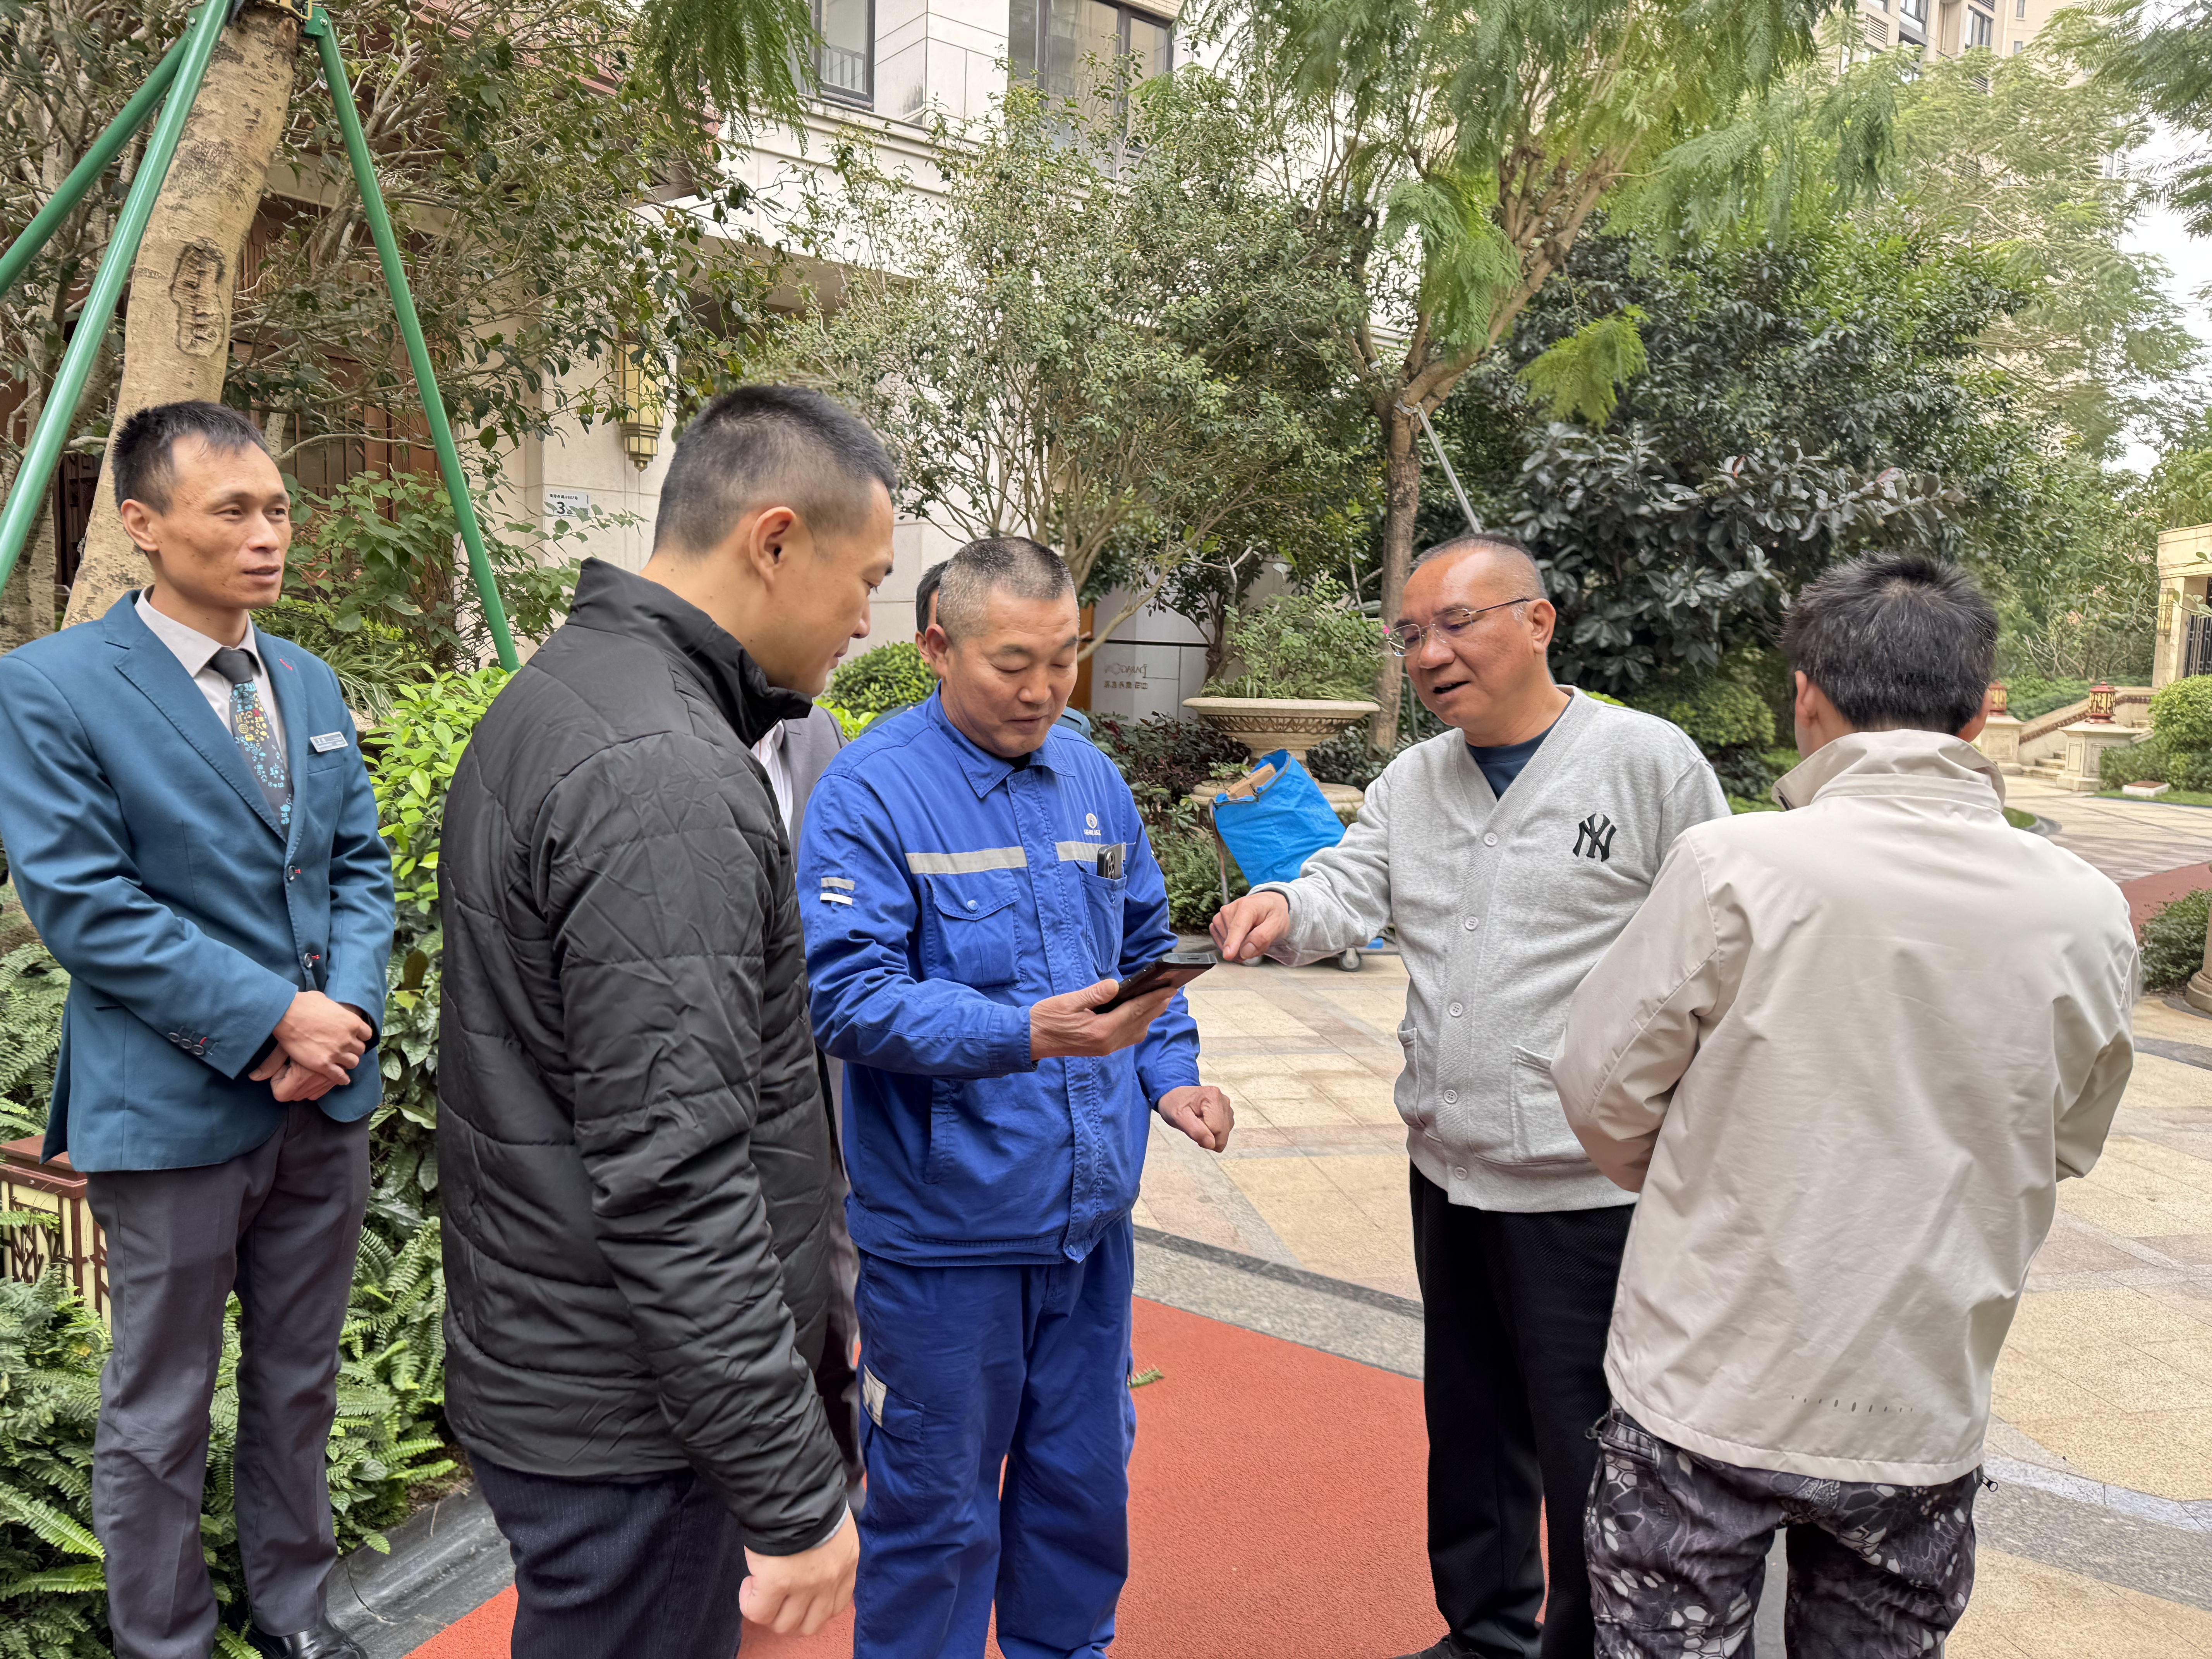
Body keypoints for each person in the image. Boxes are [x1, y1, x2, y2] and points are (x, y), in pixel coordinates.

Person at [1554, 554, 2138, 1657]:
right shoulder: (2087, 908)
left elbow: (1599, 1088)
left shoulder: (1732, 865)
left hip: (1706, 1380)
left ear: (1806, 697)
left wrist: (1700, 1173)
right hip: (1919, 1396)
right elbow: (2068, 1139)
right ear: (1978, 713)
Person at [1210, 534, 1728, 1659]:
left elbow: (1721, 947)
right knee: (1473, 1425)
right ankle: (1485, 1633)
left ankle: (1590, 1644)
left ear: (1538, 623)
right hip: (1448, 1165)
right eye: (1410, 635)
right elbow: (1350, 884)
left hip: (1590, 1187)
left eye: (1456, 624)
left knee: (1593, 1445)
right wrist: (1286, 908)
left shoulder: (1646, 763)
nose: (1430, 654)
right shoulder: (1415, 779)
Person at [436, 386, 895, 1653]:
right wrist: (792, 1490)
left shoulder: (573, 693)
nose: (868, 619)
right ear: (775, 539)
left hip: (576, 1369)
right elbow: (679, 1177)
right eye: (866, 579)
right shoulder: (663, 770)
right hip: (635, 1412)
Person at [0, 401, 393, 1659]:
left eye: (277, 509)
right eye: (233, 510)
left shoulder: (308, 680)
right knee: (160, 1406)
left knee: (300, 1379)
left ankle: (297, 1615)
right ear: (143, 523)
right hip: (170, 1107)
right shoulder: (52, 687)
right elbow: (87, 906)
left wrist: (348, 1016)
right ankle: (163, 1642)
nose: (268, 534)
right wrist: (278, 1014)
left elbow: (358, 867)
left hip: (321, 1103)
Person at [797, 535, 1234, 1659]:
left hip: (1089, 1230)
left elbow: (1143, 949)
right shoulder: (871, 792)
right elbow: (844, 998)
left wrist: (1172, 1076)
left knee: (1081, 1489)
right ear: (936, 646)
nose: (1043, 690)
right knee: (935, 1515)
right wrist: (1021, 1033)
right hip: (946, 1241)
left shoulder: (1089, 776)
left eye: (1063, 659)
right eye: (1012, 664)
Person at [756, 700, 867, 1498]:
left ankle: (840, 1462)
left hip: (819, 1064)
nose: (856, 638)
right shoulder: (669, 730)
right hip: (719, 1073)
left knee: (835, 1268)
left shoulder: (816, 731)